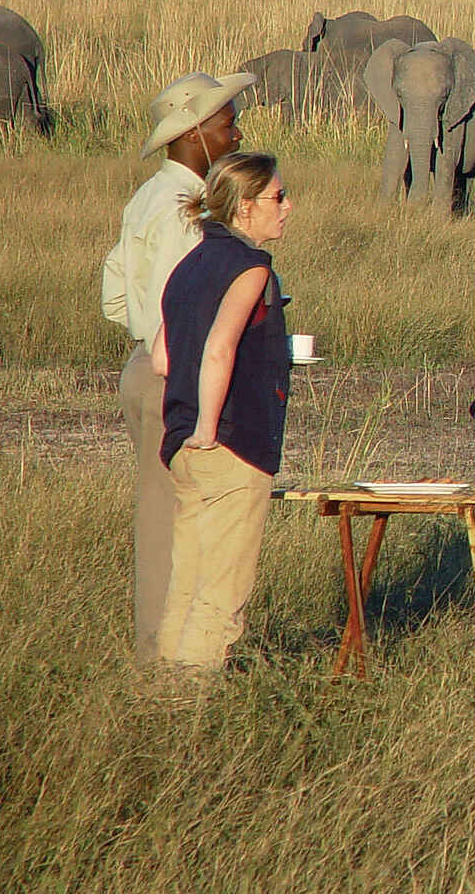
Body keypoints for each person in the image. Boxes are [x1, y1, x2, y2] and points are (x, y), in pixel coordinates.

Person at [101, 69, 254, 662]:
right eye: (227, 124)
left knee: (161, 511)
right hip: (175, 373)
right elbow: (180, 303)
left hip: (146, 365)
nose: (236, 134)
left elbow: (116, 297)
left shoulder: (147, 197)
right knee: (180, 520)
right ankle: (171, 659)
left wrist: (147, 337)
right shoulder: (185, 210)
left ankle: (165, 653)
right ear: (194, 133)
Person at [152, 151, 294, 672]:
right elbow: (219, 349)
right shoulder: (251, 267)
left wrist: (193, 428)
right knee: (219, 596)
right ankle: (194, 702)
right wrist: (210, 428)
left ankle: (164, 691)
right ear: (245, 207)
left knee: (186, 584)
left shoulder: (188, 266)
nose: (287, 206)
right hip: (228, 445)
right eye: (278, 197)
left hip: (182, 445)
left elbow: (162, 358)